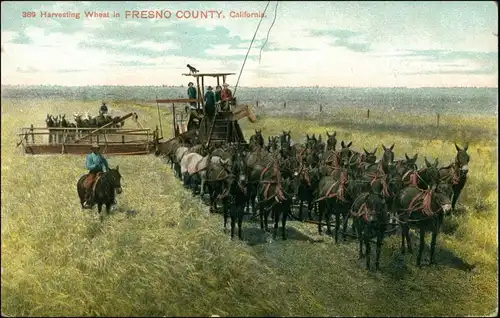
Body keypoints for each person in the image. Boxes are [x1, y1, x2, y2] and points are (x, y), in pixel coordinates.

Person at [83, 143, 110, 208]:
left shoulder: (100, 156)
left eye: (97, 148)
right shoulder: (89, 156)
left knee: (109, 182)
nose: (96, 150)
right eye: (94, 148)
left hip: (100, 172)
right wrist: (95, 165)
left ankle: (111, 199)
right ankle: (88, 198)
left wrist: (107, 168)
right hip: (93, 172)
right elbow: (88, 166)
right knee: (90, 183)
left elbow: (105, 162)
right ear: (92, 149)